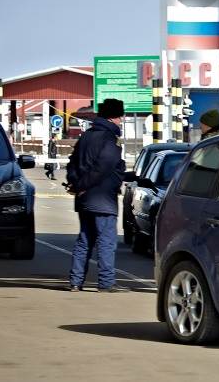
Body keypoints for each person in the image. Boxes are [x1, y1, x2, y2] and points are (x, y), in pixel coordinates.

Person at [66, 99, 135, 293]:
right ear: (114, 117)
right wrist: (81, 185)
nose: (121, 121)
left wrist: (74, 183)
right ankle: (106, 283)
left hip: (84, 199)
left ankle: (75, 282)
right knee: (106, 241)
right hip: (102, 198)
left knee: (84, 239)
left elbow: (72, 163)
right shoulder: (108, 139)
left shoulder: (86, 136)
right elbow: (103, 167)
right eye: (120, 117)